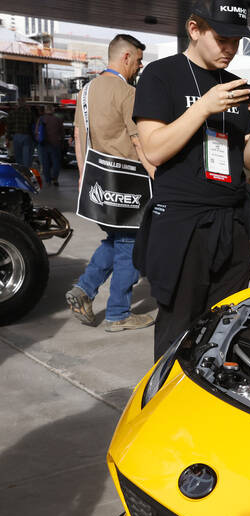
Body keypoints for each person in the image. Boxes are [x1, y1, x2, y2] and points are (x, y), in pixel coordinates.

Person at [133, 0, 250, 360]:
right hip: (183, 225)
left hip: (231, 222)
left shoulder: (235, 85)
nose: (230, 49)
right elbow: (155, 149)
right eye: (222, 39)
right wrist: (203, 108)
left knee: (224, 330)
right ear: (194, 29)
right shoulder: (160, 75)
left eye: (236, 41)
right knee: (178, 331)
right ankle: (165, 406)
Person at [65, 34, 156, 331]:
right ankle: (118, 313)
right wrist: (156, 174)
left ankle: (84, 290)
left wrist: (82, 177)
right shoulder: (127, 92)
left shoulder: (86, 91)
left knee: (114, 239)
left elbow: (79, 137)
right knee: (130, 243)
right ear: (126, 57)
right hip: (128, 182)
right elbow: (138, 140)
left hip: (98, 182)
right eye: (139, 60)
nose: (140, 66)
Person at [6, 98, 35, 168]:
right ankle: (27, 171)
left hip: (16, 136)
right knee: (27, 156)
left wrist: (8, 138)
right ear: (25, 104)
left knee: (18, 156)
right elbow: (33, 125)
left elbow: (9, 126)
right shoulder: (29, 113)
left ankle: (20, 171)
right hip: (27, 136)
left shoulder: (12, 113)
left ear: (17, 104)